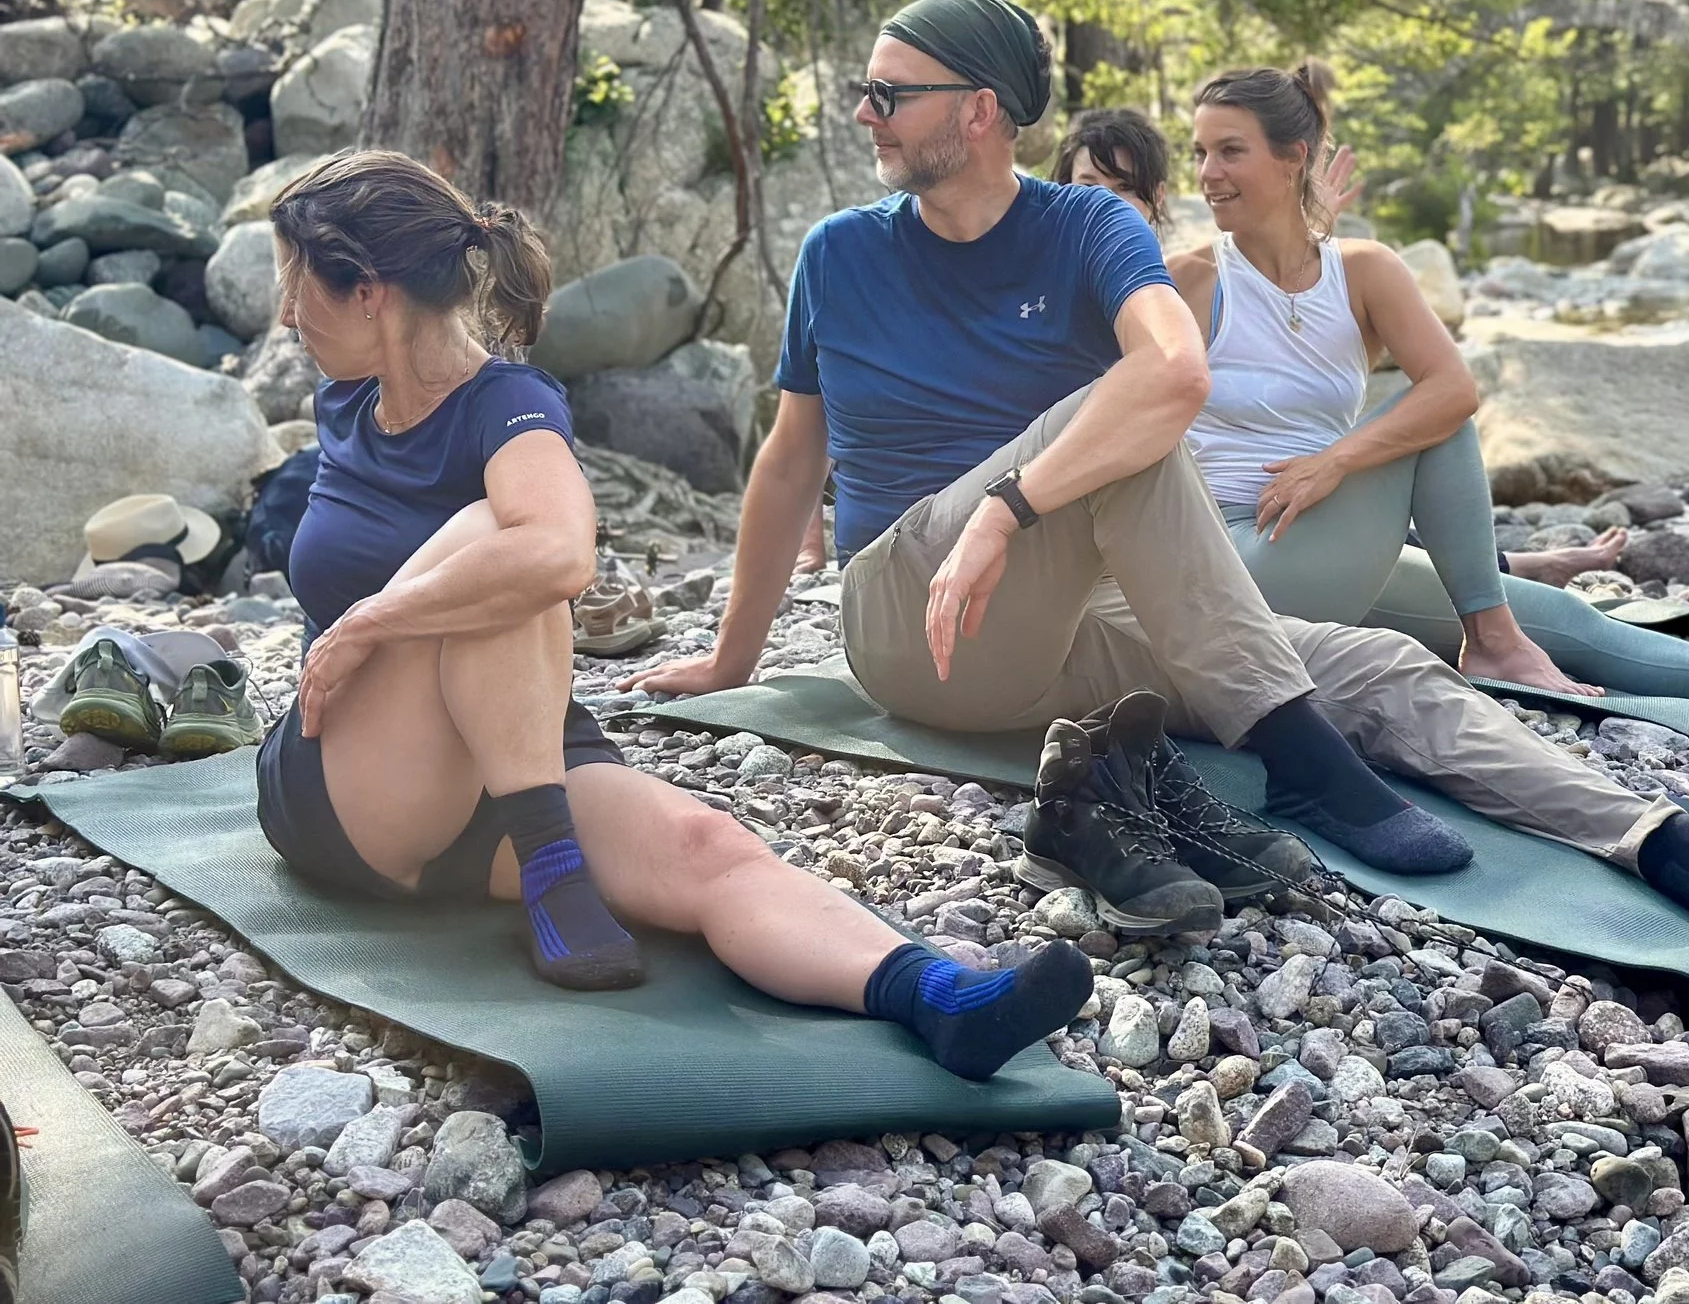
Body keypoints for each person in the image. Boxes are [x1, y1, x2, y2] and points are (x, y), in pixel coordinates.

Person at [633, 0, 1689, 937]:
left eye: (887, 91)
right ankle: (1306, 767)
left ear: (980, 111)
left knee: (1381, 661)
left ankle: (1668, 845)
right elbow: (791, 460)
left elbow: (1177, 371)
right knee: (1116, 444)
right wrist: (735, 657)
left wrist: (1014, 508)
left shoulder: (1083, 232)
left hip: (1064, 624)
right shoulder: (843, 255)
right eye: (865, 88)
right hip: (914, 622)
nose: (862, 110)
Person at [254, 151, 1089, 1080]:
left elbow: (564, 555)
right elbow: (535, 553)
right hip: (350, 778)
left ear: (369, 290)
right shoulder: (346, 401)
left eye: (297, 282)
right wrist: (380, 630)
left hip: (514, 763)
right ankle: (550, 858)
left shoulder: (510, 404)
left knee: (707, 843)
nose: (287, 314)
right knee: (494, 536)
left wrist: (370, 617)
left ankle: (933, 994)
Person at [1167, 62, 1689, 722]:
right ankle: (1490, 642)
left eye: (1230, 150)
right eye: (1200, 152)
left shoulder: (1362, 272)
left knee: (1554, 617)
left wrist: (1333, 462)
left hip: (1326, 539)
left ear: (1294, 157)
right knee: (1437, 423)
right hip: (1234, 562)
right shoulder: (1190, 280)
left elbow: (1455, 385)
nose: (1207, 172)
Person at [1046, 113, 1623, 589]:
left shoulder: (1170, 280)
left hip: (1305, 524)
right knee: (1434, 424)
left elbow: (1307, 378)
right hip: (1205, 547)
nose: (1109, 205)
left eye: (1124, 189)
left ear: (1156, 201)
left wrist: (1293, 237)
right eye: (1088, 189)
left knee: (1560, 620)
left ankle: (1509, 581)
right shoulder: (1117, 292)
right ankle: (1506, 590)